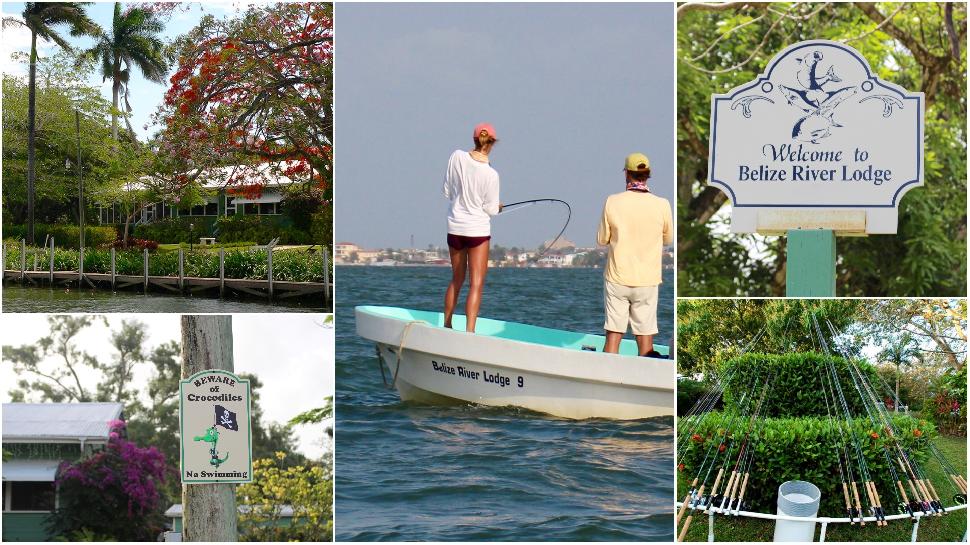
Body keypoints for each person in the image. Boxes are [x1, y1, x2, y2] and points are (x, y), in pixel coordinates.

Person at [596, 152, 673, 356]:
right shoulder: (663, 204)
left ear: (626, 174)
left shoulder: (612, 201)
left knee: (613, 336)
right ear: (647, 175)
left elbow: (602, 239)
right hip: (647, 280)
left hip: (617, 278)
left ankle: (606, 379)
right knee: (646, 341)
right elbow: (668, 239)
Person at [442, 122, 501, 332]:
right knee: (476, 283)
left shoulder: (456, 156)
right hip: (477, 232)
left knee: (456, 279)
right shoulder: (491, 175)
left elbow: (447, 191)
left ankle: (447, 324)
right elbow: (492, 209)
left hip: (455, 228)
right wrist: (497, 207)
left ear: (474, 139)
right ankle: (470, 331)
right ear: (492, 143)